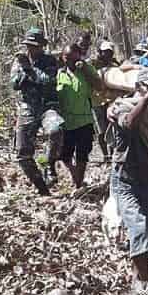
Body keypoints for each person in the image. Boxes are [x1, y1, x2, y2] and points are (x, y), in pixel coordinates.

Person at [108, 67, 148, 293]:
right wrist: (144, 101)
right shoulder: (121, 106)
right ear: (139, 88)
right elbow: (128, 124)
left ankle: (137, 275)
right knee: (139, 226)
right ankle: (144, 285)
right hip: (125, 177)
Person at [10, 27, 61, 195]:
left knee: (55, 131)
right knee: (22, 153)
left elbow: (48, 81)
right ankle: (42, 187)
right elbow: (15, 84)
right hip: (28, 107)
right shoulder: (20, 61)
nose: (31, 49)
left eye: (35, 45)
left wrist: (30, 71)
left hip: (47, 106)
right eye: (29, 45)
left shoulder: (50, 61)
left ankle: (49, 164)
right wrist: (25, 69)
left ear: (41, 46)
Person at [56, 44, 102, 188]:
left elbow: (99, 86)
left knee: (82, 154)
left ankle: (78, 184)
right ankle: (75, 175)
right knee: (64, 155)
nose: (70, 61)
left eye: (74, 57)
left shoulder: (85, 71)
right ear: (63, 58)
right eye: (67, 58)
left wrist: (85, 68)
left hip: (84, 120)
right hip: (65, 122)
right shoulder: (59, 74)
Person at [89, 40, 121, 160]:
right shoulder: (92, 65)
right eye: (104, 52)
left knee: (111, 128)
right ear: (100, 52)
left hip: (110, 102)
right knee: (101, 131)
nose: (107, 55)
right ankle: (105, 155)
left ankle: (112, 153)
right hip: (96, 101)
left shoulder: (115, 67)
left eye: (109, 52)